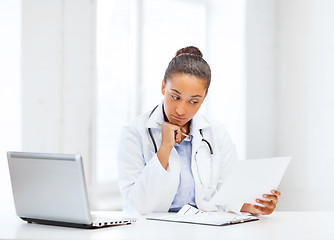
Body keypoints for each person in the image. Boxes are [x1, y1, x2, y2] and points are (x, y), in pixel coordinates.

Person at [117, 46, 280, 215]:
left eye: (193, 101)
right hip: (151, 230)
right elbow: (137, 205)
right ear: (163, 87)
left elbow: (227, 194)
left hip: (203, 227)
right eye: (175, 97)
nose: (181, 110)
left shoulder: (215, 131)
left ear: (204, 97)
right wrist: (165, 149)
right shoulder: (133, 133)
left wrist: (254, 205)